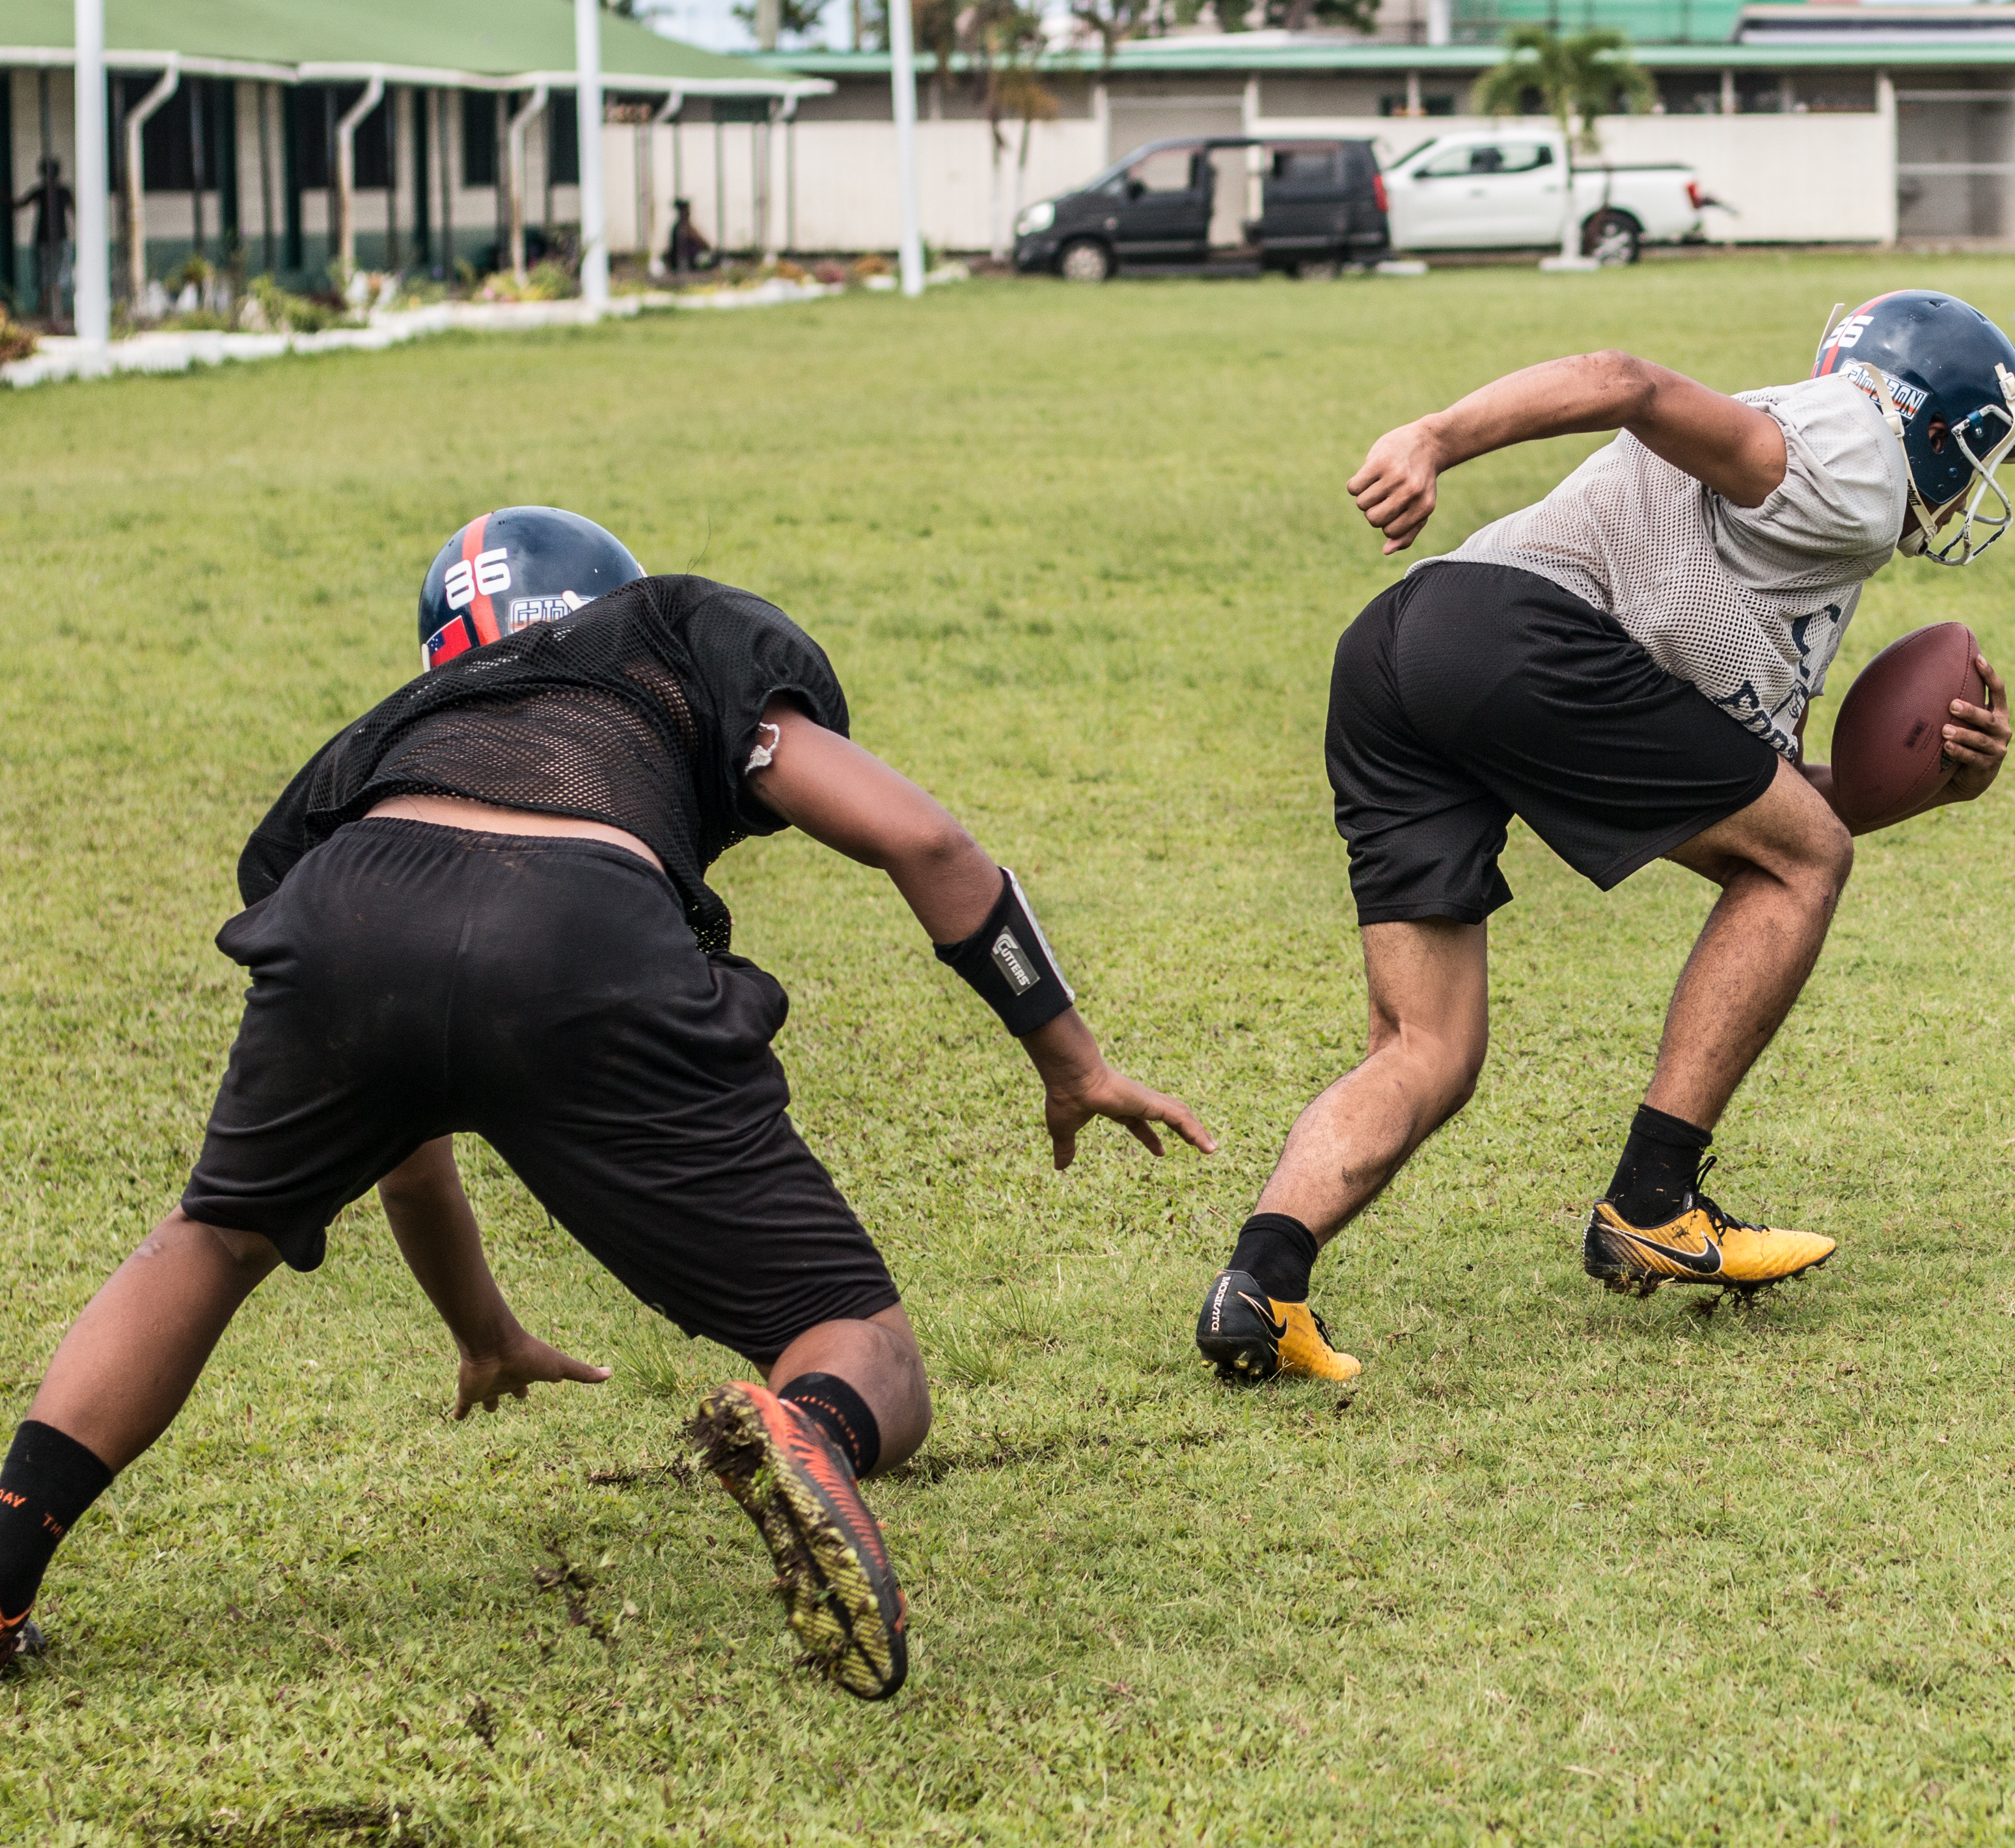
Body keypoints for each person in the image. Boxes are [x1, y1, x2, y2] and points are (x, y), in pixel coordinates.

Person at [0, 508, 1212, 1696]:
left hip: (352, 907)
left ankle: (6, 1568)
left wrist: (482, 1334)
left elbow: (408, 1150)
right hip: (579, 926)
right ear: (611, 600)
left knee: (209, 1241)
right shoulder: (677, 633)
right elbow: (929, 844)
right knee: (857, 1338)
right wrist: (1071, 1060)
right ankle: (811, 1431)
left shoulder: (383, 737)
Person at [1196, 290, 2015, 1382]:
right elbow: (1624, 380)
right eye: (1979, 453)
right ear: (1929, 425)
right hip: (1518, 636)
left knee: (1426, 1047)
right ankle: (1651, 1200)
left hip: (1403, 648)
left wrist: (1928, 789)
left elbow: (1758, 801)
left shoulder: (1816, 529)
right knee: (1808, 860)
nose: (1975, 489)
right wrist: (1433, 437)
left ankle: (1260, 1282)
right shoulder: (1855, 463)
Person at [12, 158, 74, 324]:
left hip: (50, 239)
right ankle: (50, 310)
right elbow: (75, 213)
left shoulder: (46, 192)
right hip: (53, 238)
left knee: (48, 275)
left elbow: (18, 205)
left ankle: (47, 310)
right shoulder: (59, 192)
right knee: (53, 275)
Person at [666, 199, 711, 275]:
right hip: (686, 261)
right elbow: (703, 244)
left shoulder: (686, 227)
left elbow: (705, 244)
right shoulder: (682, 228)